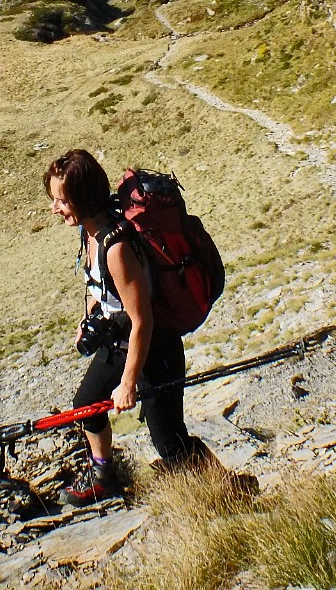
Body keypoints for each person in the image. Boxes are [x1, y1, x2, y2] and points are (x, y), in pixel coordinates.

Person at [44, 148, 212, 505]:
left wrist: (128, 383)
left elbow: (143, 321)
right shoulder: (89, 231)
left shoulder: (116, 247)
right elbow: (100, 286)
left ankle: (223, 491)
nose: (55, 208)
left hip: (155, 345)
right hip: (118, 335)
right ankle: (104, 475)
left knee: (168, 438)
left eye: (61, 201)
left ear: (83, 198)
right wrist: (90, 319)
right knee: (87, 405)